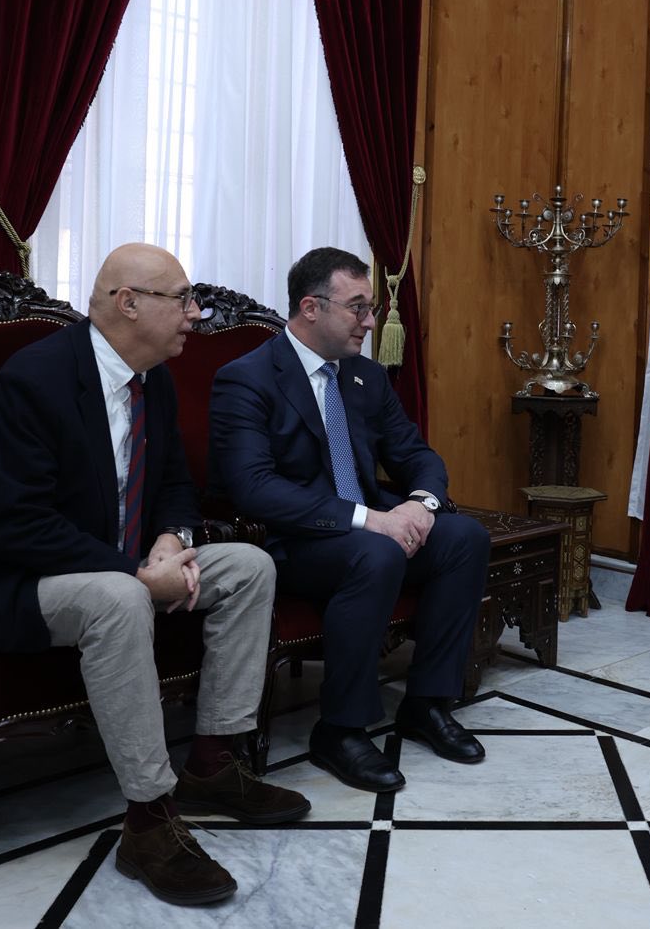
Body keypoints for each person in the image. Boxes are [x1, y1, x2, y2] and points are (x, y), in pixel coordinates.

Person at [0, 244, 309, 907]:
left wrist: (171, 542)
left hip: (126, 560)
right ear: (128, 303)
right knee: (118, 600)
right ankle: (148, 819)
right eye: (183, 299)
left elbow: (174, 484)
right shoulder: (32, 381)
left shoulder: (152, 378)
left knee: (249, 566)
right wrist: (138, 573)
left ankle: (213, 762)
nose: (196, 313)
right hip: (26, 579)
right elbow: (18, 525)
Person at [210, 246, 490, 793]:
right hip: (290, 542)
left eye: (370, 308)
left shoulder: (365, 377)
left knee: (464, 537)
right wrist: (370, 519)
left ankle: (428, 702)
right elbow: (254, 488)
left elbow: (417, 455)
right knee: (377, 551)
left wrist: (420, 504)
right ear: (311, 308)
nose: (370, 321)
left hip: (364, 533)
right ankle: (339, 729)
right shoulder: (246, 379)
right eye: (357, 307)